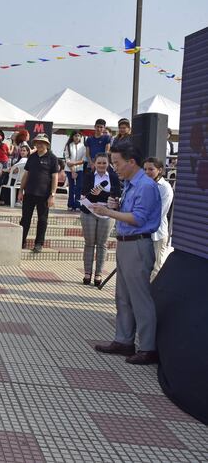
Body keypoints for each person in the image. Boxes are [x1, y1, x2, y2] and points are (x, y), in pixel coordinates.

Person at [91, 144, 162, 365]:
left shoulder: (146, 186)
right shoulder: (131, 184)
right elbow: (130, 213)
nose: (115, 168)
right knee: (123, 296)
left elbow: (139, 219)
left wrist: (109, 211)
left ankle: (148, 347)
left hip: (138, 245)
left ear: (131, 162)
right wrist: (117, 206)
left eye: (117, 163)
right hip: (126, 244)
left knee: (140, 298)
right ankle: (124, 340)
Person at [79, 152, 121, 286]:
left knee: (102, 244)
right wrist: (99, 196)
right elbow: (85, 194)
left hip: (107, 213)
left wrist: (101, 194)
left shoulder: (113, 177)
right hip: (89, 211)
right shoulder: (89, 176)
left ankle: (98, 274)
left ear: (108, 164)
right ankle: (87, 273)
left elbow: (117, 195)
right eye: (99, 163)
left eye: (104, 163)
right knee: (89, 243)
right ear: (94, 164)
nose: (101, 165)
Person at [18, 134, 60, 253]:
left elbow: (55, 177)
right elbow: (26, 174)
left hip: (44, 194)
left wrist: (52, 195)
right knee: (25, 219)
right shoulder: (32, 156)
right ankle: (21, 241)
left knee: (42, 220)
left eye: (42, 142)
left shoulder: (52, 158)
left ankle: (38, 243)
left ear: (47, 144)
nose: (40, 144)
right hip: (29, 192)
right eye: (37, 142)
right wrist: (21, 190)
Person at [143, 157, 174, 277]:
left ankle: (152, 294)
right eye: (145, 169)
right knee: (143, 266)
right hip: (142, 233)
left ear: (160, 170)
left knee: (157, 267)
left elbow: (158, 213)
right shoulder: (144, 185)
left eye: (151, 169)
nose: (147, 172)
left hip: (158, 234)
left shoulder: (165, 188)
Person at [63, 131, 86, 211]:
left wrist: (74, 163)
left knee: (79, 187)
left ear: (81, 137)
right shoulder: (68, 146)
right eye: (75, 136)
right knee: (71, 188)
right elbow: (67, 160)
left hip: (80, 169)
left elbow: (83, 160)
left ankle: (77, 205)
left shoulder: (83, 147)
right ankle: (70, 204)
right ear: (72, 136)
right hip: (69, 170)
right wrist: (72, 171)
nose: (77, 137)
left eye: (79, 136)